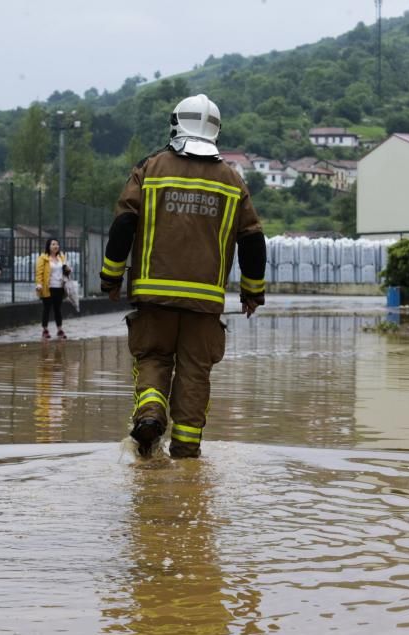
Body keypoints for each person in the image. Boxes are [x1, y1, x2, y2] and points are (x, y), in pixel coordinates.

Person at [100, 93, 267, 460]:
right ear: (216, 131)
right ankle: (187, 453)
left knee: (153, 360)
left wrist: (110, 277)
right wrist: (252, 292)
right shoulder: (231, 180)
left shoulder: (150, 168)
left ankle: (150, 414)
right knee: (194, 374)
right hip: (204, 302)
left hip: (153, 297)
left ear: (176, 124)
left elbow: (124, 224)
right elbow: (253, 238)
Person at [35, 237, 70, 340]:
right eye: (53, 244)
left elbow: (65, 272)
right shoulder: (43, 258)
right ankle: (45, 330)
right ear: (49, 246)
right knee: (47, 309)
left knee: (57, 309)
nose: (56, 246)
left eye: (57, 244)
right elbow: (39, 272)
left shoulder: (61, 257)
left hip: (59, 287)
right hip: (48, 288)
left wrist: (68, 270)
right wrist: (39, 284)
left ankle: (59, 329)